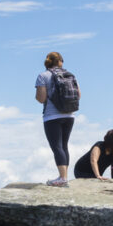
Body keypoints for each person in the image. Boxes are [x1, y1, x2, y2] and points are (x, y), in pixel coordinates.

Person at [34, 51, 78, 186]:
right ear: (61, 62)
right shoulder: (70, 75)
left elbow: (41, 99)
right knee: (64, 145)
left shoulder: (43, 76)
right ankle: (64, 176)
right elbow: (79, 95)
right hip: (69, 115)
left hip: (52, 116)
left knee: (57, 146)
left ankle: (62, 178)